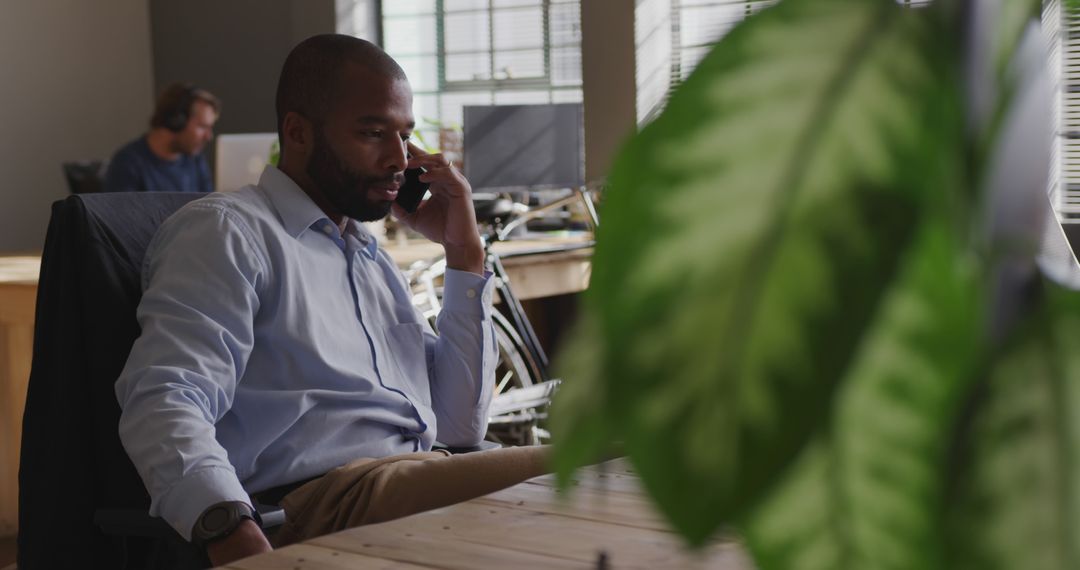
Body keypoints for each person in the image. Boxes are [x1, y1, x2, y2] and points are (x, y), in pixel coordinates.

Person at [114, 35, 550, 567]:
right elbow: (165, 394)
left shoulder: (367, 255)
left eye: (405, 136)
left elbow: (460, 426)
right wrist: (225, 523)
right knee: (616, 469)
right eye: (372, 133)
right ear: (297, 132)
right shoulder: (229, 232)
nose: (398, 159)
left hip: (414, 479)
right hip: (323, 503)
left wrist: (463, 254)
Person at [103, 82, 219, 193]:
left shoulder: (195, 160)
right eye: (202, 127)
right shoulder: (127, 163)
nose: (208, 136)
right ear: (176, 121)